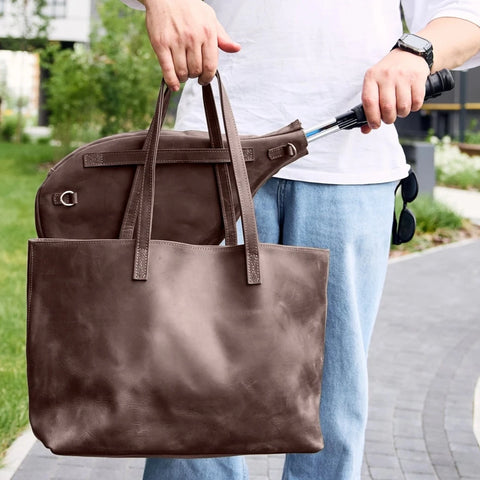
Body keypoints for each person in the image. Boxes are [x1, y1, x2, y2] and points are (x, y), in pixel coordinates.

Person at [121, 1, 480, 479]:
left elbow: (465, 13)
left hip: (351, 165)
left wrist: (417, 51)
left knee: (331, 411)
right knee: (191, 398)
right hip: (212, 159)